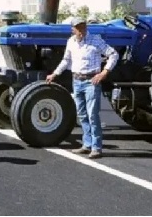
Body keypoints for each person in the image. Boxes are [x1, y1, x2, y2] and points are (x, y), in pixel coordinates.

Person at [46, 17, 119, 159]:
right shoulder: (71, 42)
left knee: (92, 114)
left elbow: (113, 54)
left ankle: (96, 147)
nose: (81, 30)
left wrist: (105, 72)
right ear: (72, 29)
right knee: (82, 114)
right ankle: (87, 144)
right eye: (78, 27)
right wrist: (55, 73)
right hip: (77, 80)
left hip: (91, 80)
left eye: (83, 27)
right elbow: (66, 60)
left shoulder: (95, 40)